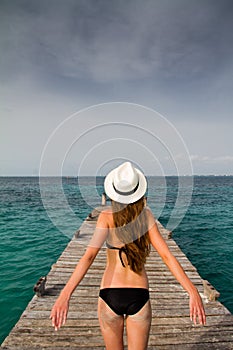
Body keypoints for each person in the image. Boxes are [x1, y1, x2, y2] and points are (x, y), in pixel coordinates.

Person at [50, 161, 206, 350]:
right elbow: (166, 256)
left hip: (110, 294)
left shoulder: (106, 217)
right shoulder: (146, 217)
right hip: (138, 295)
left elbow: (89, 256)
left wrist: (65, 295)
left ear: (114, 192)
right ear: (139, 193)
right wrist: (192, 291)